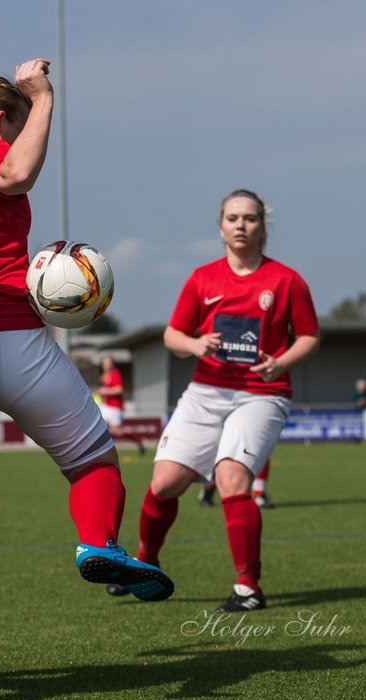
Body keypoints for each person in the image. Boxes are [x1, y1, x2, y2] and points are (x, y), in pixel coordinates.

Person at [0, 30, 172, 659]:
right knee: (94, 462)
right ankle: (98, 543)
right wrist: (43, 97)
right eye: (16, 125)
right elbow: (15, 173)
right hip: (8, 341)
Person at [115, 189, 319, 610]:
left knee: (230, 480)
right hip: (206, 391)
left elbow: (310, 337)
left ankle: (248, 587)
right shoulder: (201, 278)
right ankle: (146, 563)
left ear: (263, 226)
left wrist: (279, 363)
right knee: (164, 483)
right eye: (232, 218)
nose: (240, 225)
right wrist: (195, 344)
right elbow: (172, 336)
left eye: (249, 218)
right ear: (220, 227)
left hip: (261, 395)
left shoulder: (287, 281)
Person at [97, 355, 127, 440]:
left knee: (116, 431)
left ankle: (138, 441)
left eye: (109, 363)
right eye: (105, 364)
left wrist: (105, 391)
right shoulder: (104, 376)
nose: (107, 365)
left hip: (115, 406)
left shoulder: (115, 373)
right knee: (99, 426)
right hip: (106, 406)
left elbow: (119, 389)